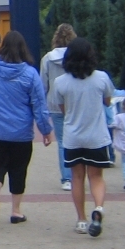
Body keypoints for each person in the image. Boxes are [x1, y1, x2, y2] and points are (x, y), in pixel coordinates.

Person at [0, 31, 53, 227]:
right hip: (20, 133)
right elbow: (39, 105)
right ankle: (16, 211)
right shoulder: (30, 74)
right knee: (18, 170)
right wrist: (45, 130)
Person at [50, 38, 115, 237]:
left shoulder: (60, 82)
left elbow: (63, 109)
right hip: (96, 136)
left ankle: (81, 220)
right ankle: (99, 208)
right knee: (96, 177)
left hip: (73, 137)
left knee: (77, 178)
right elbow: (108, 101)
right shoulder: (101, 78)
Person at [41, 23, 77, 192]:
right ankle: (78, 175)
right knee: (77, 140)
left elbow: (43, 84)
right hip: (76, 103)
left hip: (55, 104)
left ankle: (66, 178)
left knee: (62, 142)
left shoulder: (48, 59)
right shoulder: (77, 56)